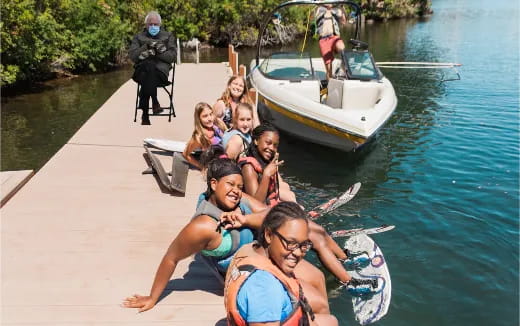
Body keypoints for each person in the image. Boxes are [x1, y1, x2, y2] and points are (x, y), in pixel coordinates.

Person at [122, 158, 266, 312]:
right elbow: (171, 257)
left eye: (240, 186)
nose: (236, 191)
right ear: (214, 184)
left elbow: (274, 216)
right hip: (244, 277)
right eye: (230, 184)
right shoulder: (203, 226)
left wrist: (246, 219)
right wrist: (152, 297)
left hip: (260, 255)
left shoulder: (235, 199)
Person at [224, 202, 338, 326]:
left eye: (303, 245)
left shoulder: (250, 250)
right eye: (290, 243)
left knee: (330, 321)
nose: (298, 252)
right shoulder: (265, 289)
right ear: (268, 235)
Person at [129, 11, 176, 125]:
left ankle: (145, 113)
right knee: (147, 66)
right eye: (150, 24)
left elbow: (172, 57)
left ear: (160, 25)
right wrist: (146, 45)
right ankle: (155, 102)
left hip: (160, 74)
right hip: (141, 72)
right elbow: (133, 57)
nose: (153, 26)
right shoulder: (138, 37)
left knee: (149, 67)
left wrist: (155, 51)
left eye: (155, 24)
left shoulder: (168, 36)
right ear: (146, 25)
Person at [238, 124, 296, 206]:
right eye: (268, 143)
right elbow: (256, 204)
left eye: (275, 145)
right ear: (256, 141)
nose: (272, 148)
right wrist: (267, 175)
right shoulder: (248, 167)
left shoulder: (266, 162)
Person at [183, 102, 226, 169]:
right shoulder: (199, 137)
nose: (209, 118)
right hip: (217, 165)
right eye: (205, 116)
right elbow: (185, 154)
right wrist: (202, 167)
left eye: (211, 114)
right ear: (199, 119)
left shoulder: (218, 124)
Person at [315, 4, 347, 79]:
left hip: (334, 37)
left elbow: (344, 22)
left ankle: (344, 68)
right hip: (323, 39)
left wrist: (342, 8)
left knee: (341, 47)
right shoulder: (319, 9)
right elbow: (314, 17)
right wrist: (325, 6)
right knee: (329, 68)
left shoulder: (336, 10)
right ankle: (329, 85)